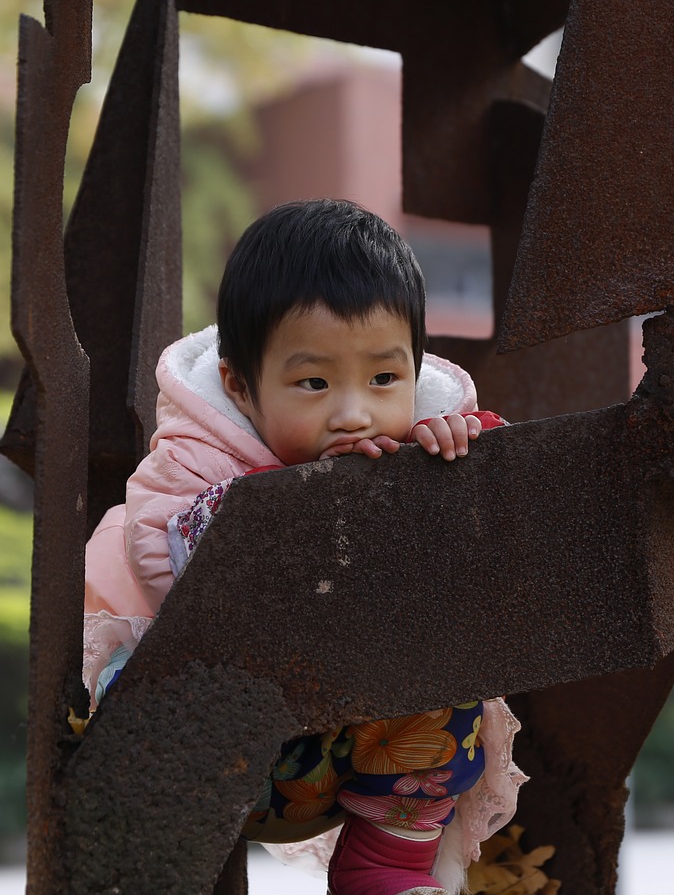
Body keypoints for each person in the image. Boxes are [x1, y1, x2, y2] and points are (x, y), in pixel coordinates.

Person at [81, 200, 525, 895]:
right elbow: (175, 559)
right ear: (240, 385)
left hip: (352, 756)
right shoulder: (196, 456)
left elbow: (494, 534)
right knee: (144, 705)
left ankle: (386, 870)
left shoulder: (416, 435)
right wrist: (321, 494)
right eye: (314, 382)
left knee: (448, 666)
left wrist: (453, 460)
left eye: (383, 379)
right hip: (212, 761)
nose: (353, 411)